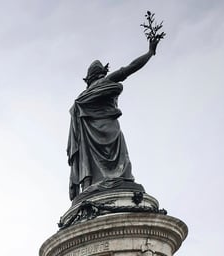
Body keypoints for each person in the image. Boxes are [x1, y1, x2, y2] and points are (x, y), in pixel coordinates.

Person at [66, 24, 159, 201]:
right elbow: (130, 68)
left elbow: (77, 141)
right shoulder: (106, 81)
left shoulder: (81, 98)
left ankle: (89, 183)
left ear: (88, 79)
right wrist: (149, 53)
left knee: (91, 159)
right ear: (102, 73)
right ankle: (119, 179)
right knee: (121, 160)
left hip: (89, 141)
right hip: (111, 130)